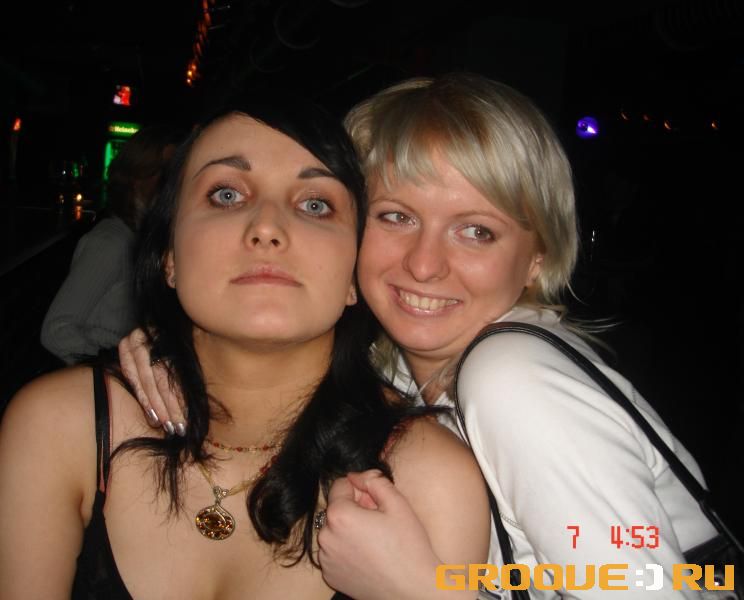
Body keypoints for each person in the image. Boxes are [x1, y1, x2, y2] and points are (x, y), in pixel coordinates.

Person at [118, 73, 719, 599]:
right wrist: (181, 348)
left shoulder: (513, 381)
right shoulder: (400, 365)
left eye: (476, 231)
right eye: (397, 216)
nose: (424, 265)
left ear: (537, 257)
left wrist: (420, 591)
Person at [0, 92, 489, 599]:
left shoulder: (429, 478)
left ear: (354, 275)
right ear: (169, 255)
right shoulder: (62, 426)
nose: (267, 228)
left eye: (315, 204)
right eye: (227, 195)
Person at [40, 124, 182, 364]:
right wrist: (113, 370)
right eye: (165, 173)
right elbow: (56, 331)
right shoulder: (110, 242)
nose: (174, 185)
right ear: (136, 177)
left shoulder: (145, 243)